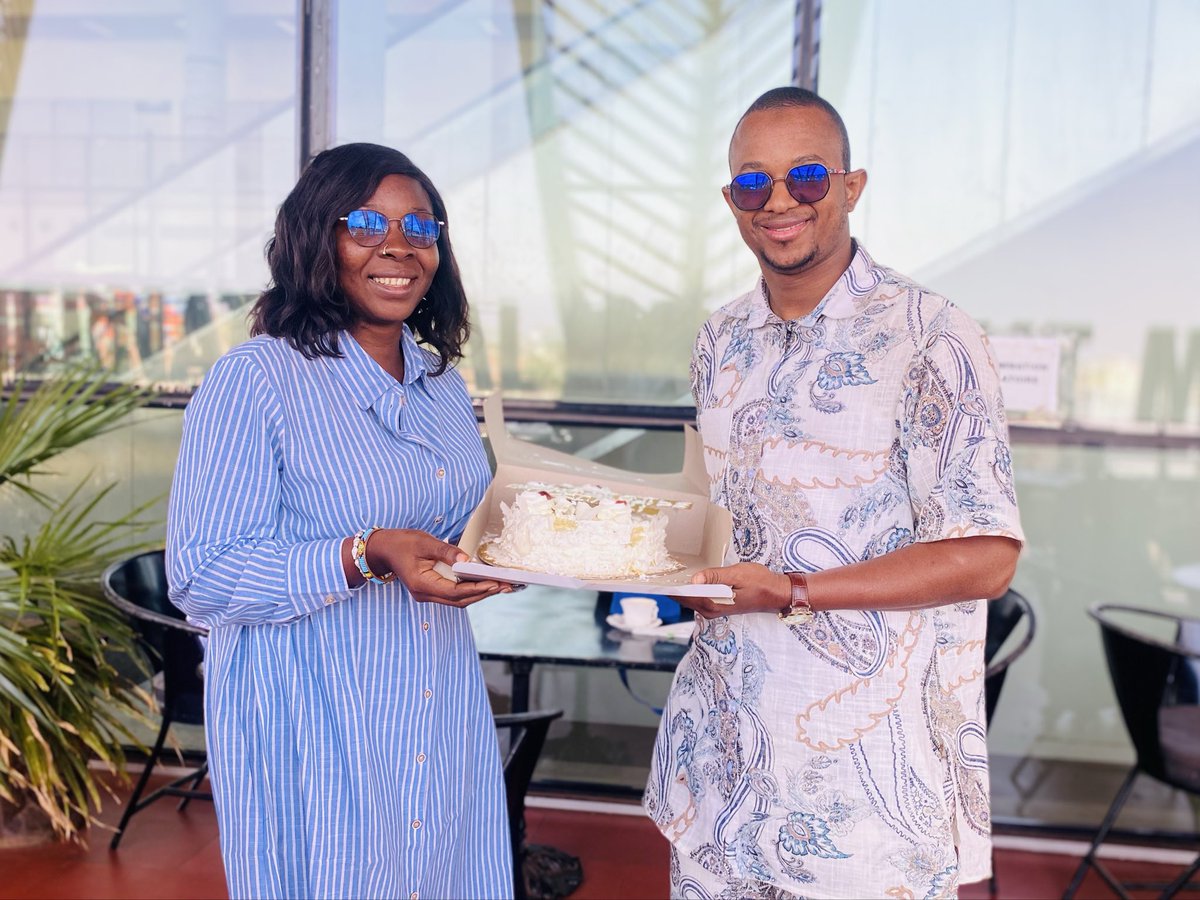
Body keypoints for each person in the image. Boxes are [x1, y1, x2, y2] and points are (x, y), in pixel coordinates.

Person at [644, 87, 1025, 899]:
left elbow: (988, 557)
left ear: (851, 187)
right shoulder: (719, 338)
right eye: (755, 183)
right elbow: (726, 515)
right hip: (721, 771)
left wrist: (793, 590)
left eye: (807, 177)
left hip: (859, 802)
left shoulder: (931, 335)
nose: (779, 201)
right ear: (731, 201)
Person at [166, 142, 515, 900]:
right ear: (315, 238)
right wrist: (363, 554)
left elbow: (455, 537)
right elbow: (201, 576)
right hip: (316, 721)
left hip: (436, 703)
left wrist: (507, 553)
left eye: (420, 228)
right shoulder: (256, 379)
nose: (398, 246)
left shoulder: (441, 386)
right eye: (366, 224)